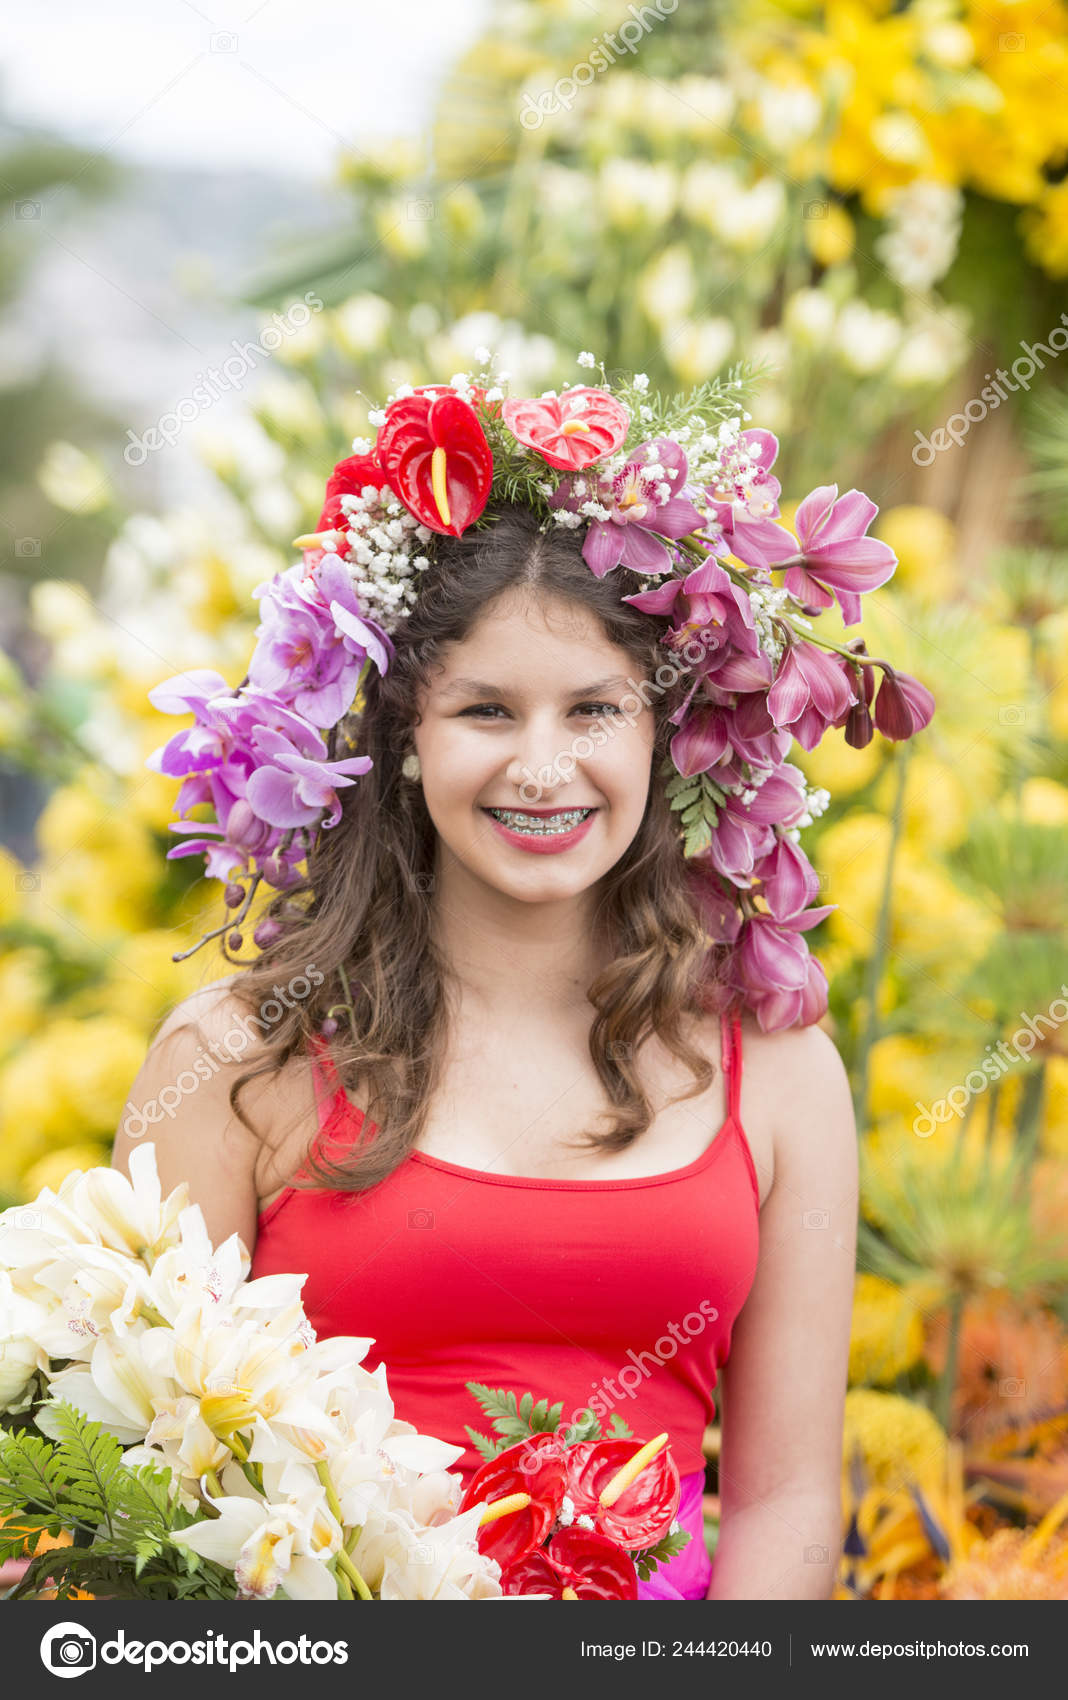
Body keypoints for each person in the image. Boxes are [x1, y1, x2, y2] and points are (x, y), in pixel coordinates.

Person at [113, 369, 928, 1598]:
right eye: (486, 708)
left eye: (594, 708)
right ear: (401, 735)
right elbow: (145, 1484)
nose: (543, 768)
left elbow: (788, 1496)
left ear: (669, 727)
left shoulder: (781, 1067)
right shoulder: (236, 1057)